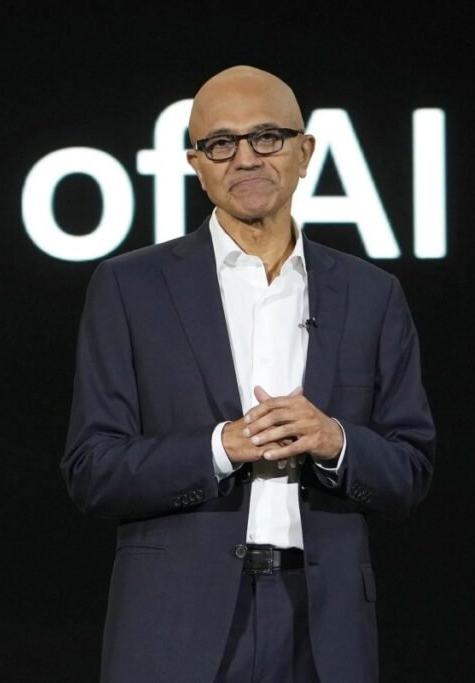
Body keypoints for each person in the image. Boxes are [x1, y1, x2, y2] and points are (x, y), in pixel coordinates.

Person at [61, 65, 435, 683]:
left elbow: (410, 471)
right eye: (220, 143)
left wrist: (334, 441)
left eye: (266, 136)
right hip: (175, 625)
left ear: (304, 151)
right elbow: (92, 470)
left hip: (323, 627)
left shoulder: (372, 295)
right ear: (196, 164)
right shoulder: (130, 287)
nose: (245, 158)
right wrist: (221, 447)